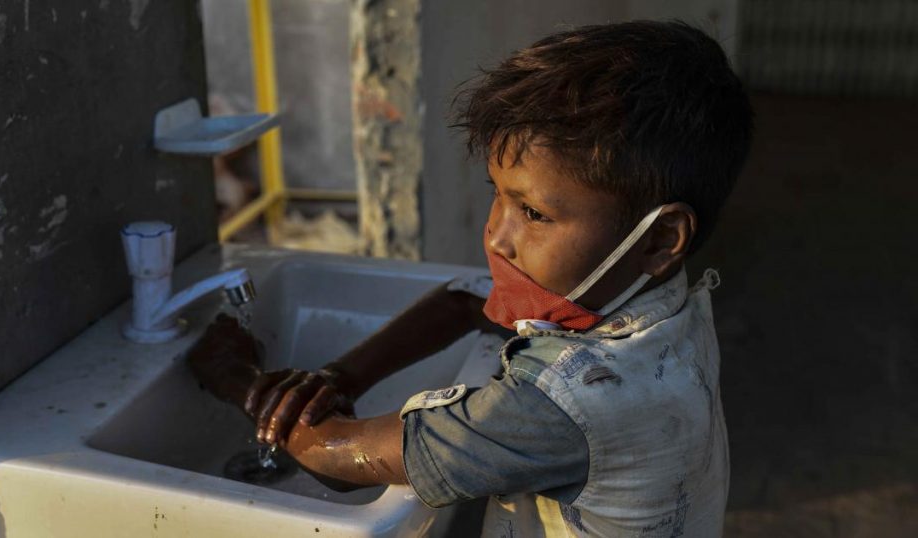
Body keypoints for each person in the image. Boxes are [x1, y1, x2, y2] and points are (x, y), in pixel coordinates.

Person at [190, 19, 753, 537]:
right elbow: (468, 303)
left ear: (659, 240)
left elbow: (339, 460)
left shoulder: (560, 403)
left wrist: (236, 378)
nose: (496, 236)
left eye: (533, 213)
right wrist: (340, 376)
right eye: (497, 195)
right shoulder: (661, 308)